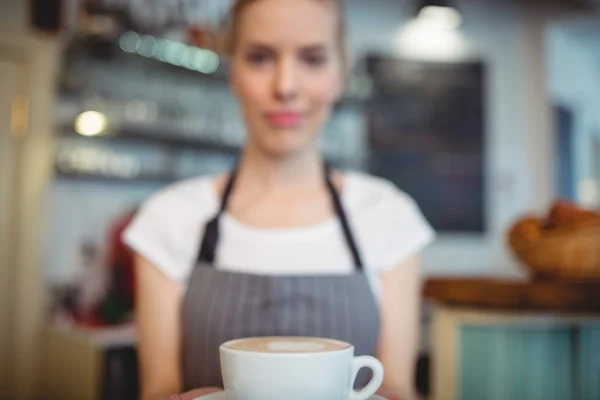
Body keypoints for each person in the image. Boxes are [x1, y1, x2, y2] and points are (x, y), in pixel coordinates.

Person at [123, 0, 435, 399]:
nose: (285, 86)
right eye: (259, 58)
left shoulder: (390, 217)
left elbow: (396, 389)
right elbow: (159, 392)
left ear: (341, 72)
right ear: (231, 70)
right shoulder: (167, 219)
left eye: (313, 59)